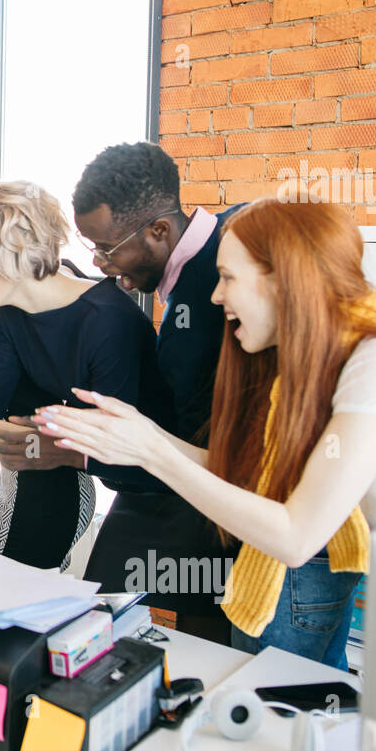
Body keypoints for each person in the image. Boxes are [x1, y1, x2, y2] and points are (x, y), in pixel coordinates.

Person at [33, 197, 376, 668]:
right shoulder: (319, 362)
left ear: (282, 281)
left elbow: (296, 537)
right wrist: (146, 436)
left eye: (228, 277)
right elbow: (253, 477)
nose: (215, 294)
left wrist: (152, 453)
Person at [0, 180, 174, 570]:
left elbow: (109, 450)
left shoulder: (109, 322)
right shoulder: (10, 310)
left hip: (161, 489)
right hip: (51, 477)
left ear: (10, 251)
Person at [69, 142, 242, 643]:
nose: (101, 262)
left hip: (222, 480)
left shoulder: (224, 265)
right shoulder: (198, 259)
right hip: (192, 473)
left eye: (107, 247)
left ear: (159, 231)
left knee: (120, 600)